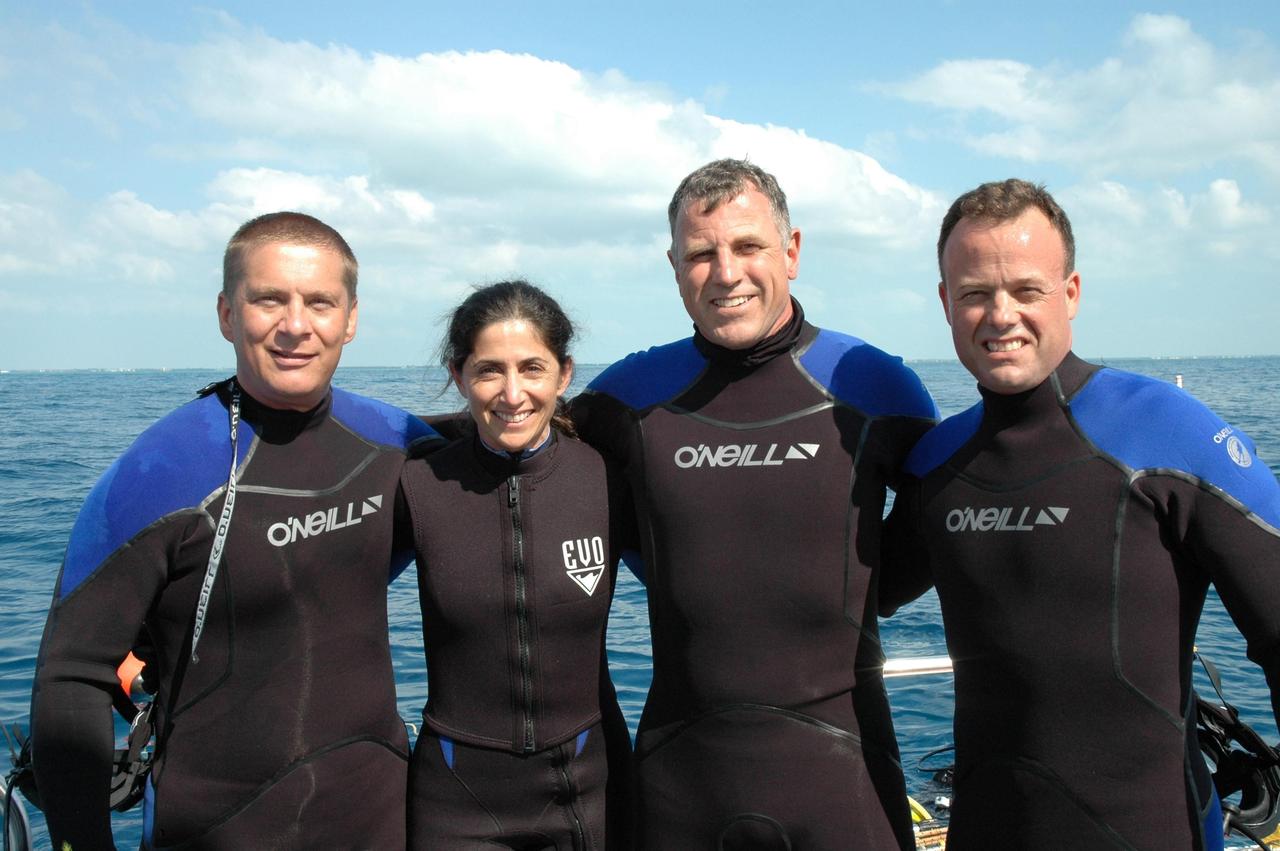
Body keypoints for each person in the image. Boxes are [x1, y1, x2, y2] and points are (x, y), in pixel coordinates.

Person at [881, 179, 1280, 850]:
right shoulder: (937, 464)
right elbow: (845, 594)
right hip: (988, 831)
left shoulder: (1166, 435)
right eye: (976, 293)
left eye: (1026, 290)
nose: (1000, 315)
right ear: (947, 303)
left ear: (1070, 293)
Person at [29, 212, 441, 849]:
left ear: (351, 318)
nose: (296, 325)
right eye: (269, 299)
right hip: (215, 825)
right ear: (226, 314)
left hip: (378, 814)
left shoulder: (399, 445)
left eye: (320, 302)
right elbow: (71, 676)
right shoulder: (157, 474)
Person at [569, 159, 937, 849]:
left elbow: (952, 509)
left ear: (791, 252)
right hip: (682, 782)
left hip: (844, 782)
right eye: (701, 253)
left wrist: (866, 584)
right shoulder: (629, 396)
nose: (726, 272)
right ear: (674, 266)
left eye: (747, 246)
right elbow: (516, 444)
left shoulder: (875, 387)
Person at [398, 280, 631, 849]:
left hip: (591, 789)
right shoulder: (418, 484)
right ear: (459, 377)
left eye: (532, 368)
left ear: (564, 374)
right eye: (488, 371)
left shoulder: (607, 479)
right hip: (456, 798)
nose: (512, 392)